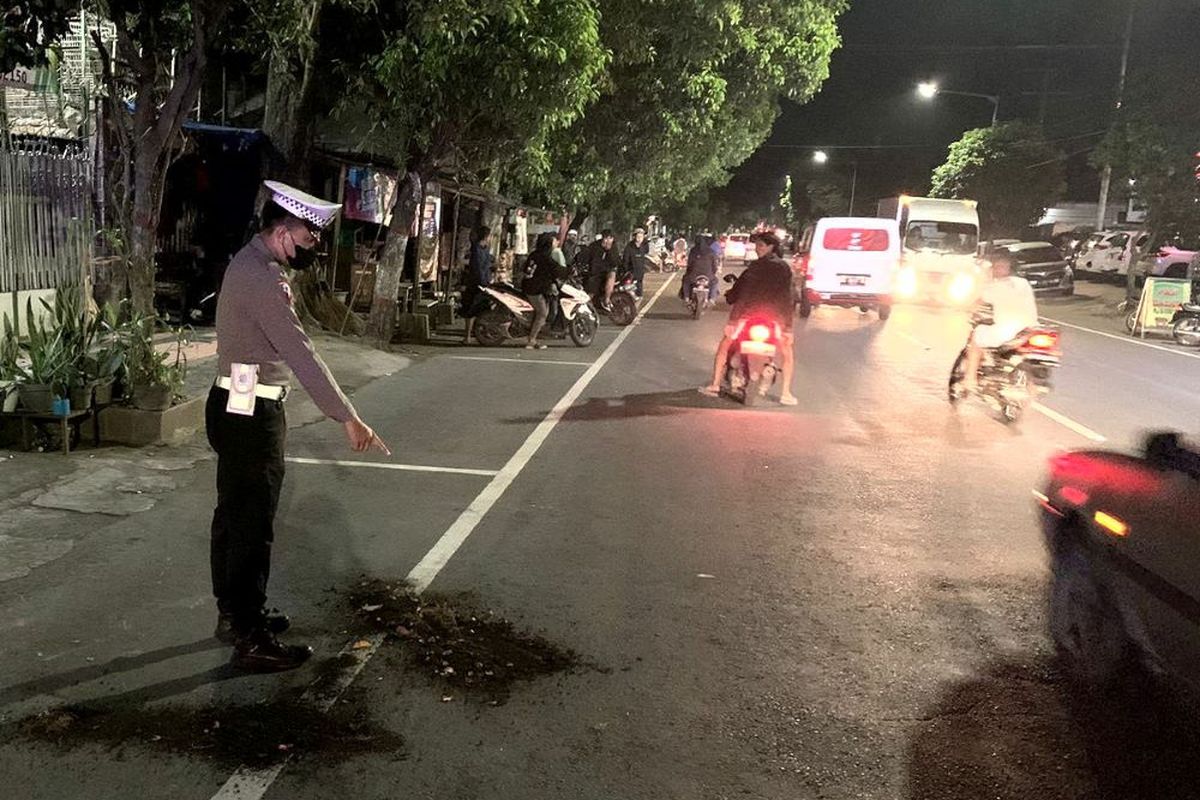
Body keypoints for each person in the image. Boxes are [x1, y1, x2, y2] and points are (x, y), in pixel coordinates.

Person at [209, 180, 390, 673]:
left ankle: (235, 614)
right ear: (284, 231)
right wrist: (347, 416)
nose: (311, 248)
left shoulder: (245, 263)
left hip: (234, 400)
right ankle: (250, 636)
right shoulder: (265, 278)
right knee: (251, 523)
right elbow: (300, 353)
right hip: (252, 413)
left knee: (234, 516)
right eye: (309, 239)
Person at [700, 231, 798, 406]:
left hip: (748, 316)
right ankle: (786, 393)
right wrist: (788, 328)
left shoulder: (755, 268)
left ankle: (715, 384)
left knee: (725, 345)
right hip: (775, 319)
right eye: (757, 245)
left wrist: (732, 320)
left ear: (771, 247)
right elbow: (787, 298)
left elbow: (742, 294)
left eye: (761, 245)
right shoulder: (784, 268)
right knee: (787, 352)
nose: (757, 249)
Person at [961, 253, 1039, 392]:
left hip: (1009, 329)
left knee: (977, 337)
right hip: (1030, 328)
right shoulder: (1023, 283)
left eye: (1000, 267)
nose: (997, 269)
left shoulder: (995, 286)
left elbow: (977, 302)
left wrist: (967, 309)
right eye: (996, 267)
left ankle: (970, 379)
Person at [524, 232, 566, 349]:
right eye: (552, 241)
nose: (555, 243)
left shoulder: (534, 254)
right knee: (542, 313)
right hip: (534, 289)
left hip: (528, 286)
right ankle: (531, 339)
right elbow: (557, 270)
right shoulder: (545, 258)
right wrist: (568, 271)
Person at [461, 226, 494, 345]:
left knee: (484, 309)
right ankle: (468, 336)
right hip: (476, 283)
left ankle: (483, 332)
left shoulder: (485, 248)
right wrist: (482, 282)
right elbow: (477, 268)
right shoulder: (476, 249)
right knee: (471, 310)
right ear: (486, 236)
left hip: (484, 282)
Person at [582, 229, 621, 311]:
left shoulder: (613, 247)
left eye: (610, 238)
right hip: (595, 273)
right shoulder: (594, 246)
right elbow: (587, 258)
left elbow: (616, 261)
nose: (608, 240)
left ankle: (607, 300)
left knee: (612, 274)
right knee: (591, 290)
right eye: (606, 238)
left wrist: (608, 250)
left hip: (607, 272)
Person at [682, 234, 718, 304]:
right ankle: (712, 298)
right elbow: (714, 266)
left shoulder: (693, 251)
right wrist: (713, 272)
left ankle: (686, 297)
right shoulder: (711, 251)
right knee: (714, 282)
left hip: (693, 276)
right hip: (708, 276)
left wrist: (688, 272)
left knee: (686, 281)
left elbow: (689, 264)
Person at [623, 228, 649, 298]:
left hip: (640, 273)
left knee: (639, 294)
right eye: (638, 237)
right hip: (631, 274)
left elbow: (647, 250)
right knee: (629, 293)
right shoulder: (629, 247)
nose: (640, 239)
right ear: (634, 237)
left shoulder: (644, 246)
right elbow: (625, 260)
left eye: (642, 237)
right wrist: (627, 271)